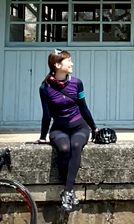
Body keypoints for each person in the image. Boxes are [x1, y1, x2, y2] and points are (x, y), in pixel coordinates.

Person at [37, 49, 97, 212]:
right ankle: (70, 191)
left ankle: (68, 191)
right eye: (68, 61)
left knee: (76, 145)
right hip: (59, 128)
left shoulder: (77, 83)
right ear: (57, 65)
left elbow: (84, 108)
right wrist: (43, 137)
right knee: (64, 149)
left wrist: (94, 128)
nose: (72, 64)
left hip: (79, 126)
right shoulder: (45, 88)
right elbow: (46, 115)